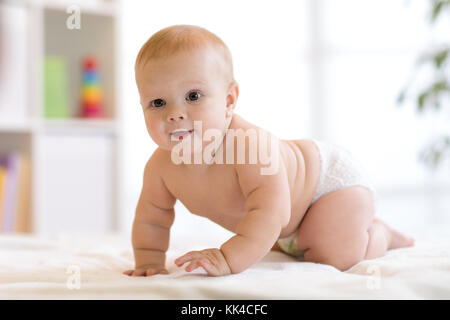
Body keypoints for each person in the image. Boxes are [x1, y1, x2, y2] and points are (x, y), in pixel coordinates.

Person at [123, 25, 414, 277]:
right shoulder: (160, 168)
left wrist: (227, 258)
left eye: (193, 96)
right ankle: (302, 238)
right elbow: (152, 217)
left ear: (228, 100)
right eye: (158, 103)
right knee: (276, 239)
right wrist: (149, 261)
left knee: (331, 254)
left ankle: (379, 235)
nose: (174, 114)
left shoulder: (250, 145)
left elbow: (271, 212)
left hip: (328, 186)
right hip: (289, 221)